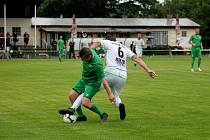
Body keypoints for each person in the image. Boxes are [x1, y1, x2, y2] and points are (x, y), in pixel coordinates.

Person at [65, 34, 157, 121]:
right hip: (122, 76)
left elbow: (97, 42)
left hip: (110, 72)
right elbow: (137, 58)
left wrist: (90, 49)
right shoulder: (124, 47)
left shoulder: (108, 42)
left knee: (90, 87)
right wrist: (148, 70)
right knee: (115, 95)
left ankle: (73, 108)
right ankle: (120, 104)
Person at [58, 47, 115, 122]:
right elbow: (93, 45)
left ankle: (103, 114)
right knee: (71, 95)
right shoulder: (89, 51)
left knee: (85, 102)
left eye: (84, 59)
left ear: (90, 56)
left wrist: (110, 94)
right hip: (84, 80)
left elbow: (103, 81)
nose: (82, 60)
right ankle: (82, 117)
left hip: (93, 83)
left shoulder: (97, 65)